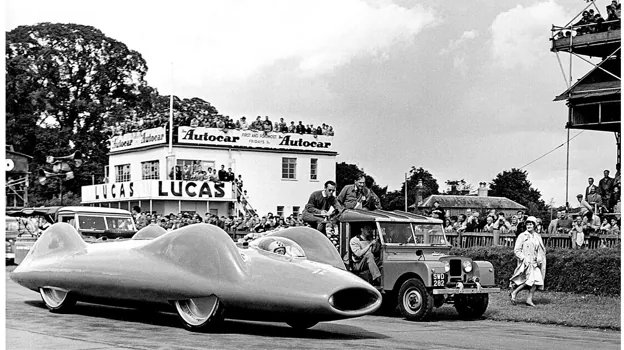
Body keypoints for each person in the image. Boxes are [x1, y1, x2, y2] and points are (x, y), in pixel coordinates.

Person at [509, 216, 546, 307]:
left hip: (534, 262)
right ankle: (514, 292)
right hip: (526, 262)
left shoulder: (537, 236)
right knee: (529, 280)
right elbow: (517, 250)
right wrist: (523, 258)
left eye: (531, 224)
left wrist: (539, 259)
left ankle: (529, 299)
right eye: (527, 224)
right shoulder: (522, 236)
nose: (529, 226)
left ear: (534, 225)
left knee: (536, 281)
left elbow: (540, 250)